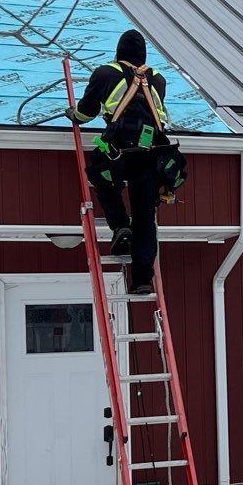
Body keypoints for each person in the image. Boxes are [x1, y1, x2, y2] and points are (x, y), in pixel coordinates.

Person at [68, 29, 180, 295]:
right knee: (145, 215)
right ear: (143, 56)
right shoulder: (158, 79)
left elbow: (85, 113)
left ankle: (120, 226)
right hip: (150, 152)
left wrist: (73, 114)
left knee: (101, 177)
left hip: (117, 150)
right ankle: (142, 280)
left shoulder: (105, 73)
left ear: (119, 53)